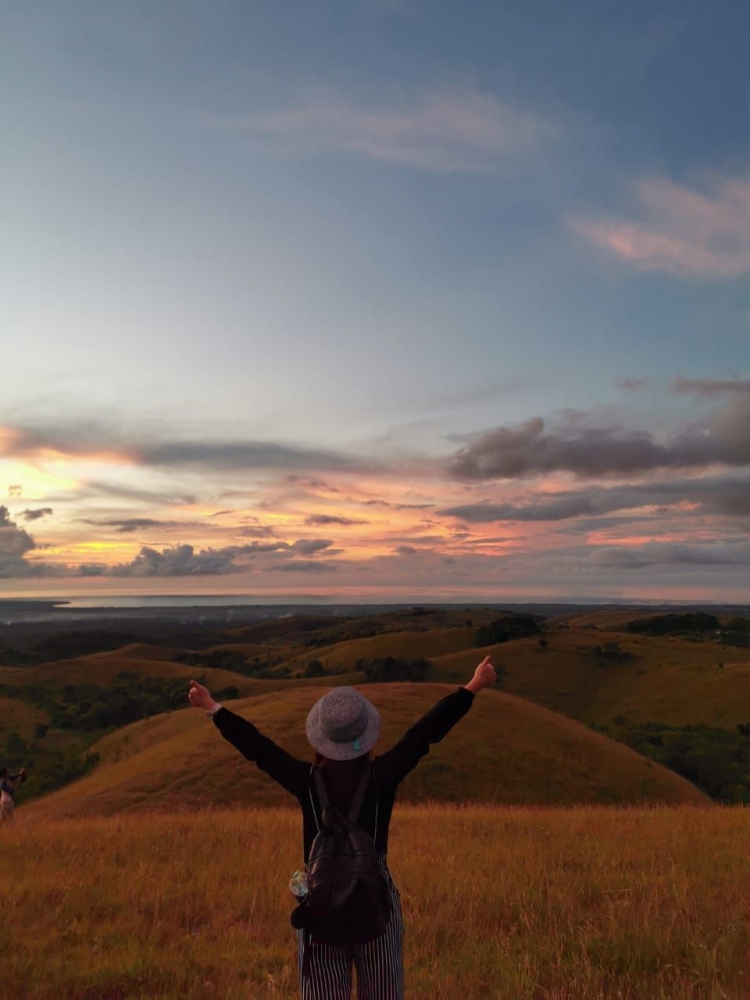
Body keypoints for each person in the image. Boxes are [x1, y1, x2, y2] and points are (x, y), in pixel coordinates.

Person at [188, 655, 496, 1000]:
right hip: (375, 898)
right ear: (365, 735)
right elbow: (424, 734)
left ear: (321, 737)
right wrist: (473, 686)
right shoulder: (382, 776)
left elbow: (260, 749)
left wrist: (213, 707)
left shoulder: (306, 780)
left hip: (320, 902)